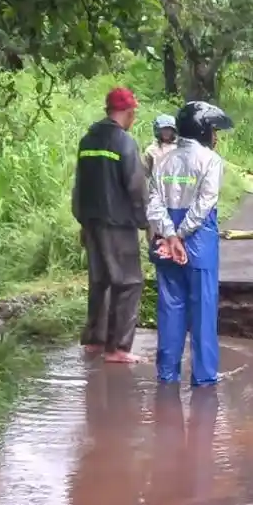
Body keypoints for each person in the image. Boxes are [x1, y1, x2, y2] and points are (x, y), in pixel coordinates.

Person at [146, 101, 232, 387]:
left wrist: (169, 235)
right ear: (203, 130)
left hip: (165, 240)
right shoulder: (210, 160)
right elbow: (204, 204)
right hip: (198, 242)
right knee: (203, 311)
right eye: (214, 130)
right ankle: (204, 379)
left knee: (170, 308)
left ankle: (167, 375)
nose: (216, 137)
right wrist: (181, 236)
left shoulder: (164, 161)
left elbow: (154, 203)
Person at [71, 86, 148, 364]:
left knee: (100, 280)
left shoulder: (87, 140)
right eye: (133, 113)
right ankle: (117, 348)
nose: (134, 118)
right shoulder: (124, 142)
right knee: (128, 282)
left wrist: (82, 219)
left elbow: (80, 184)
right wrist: (145, 223)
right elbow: (136, 187)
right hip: (117, 224)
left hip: (91, 222)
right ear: (128, 112)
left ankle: (95, 339)